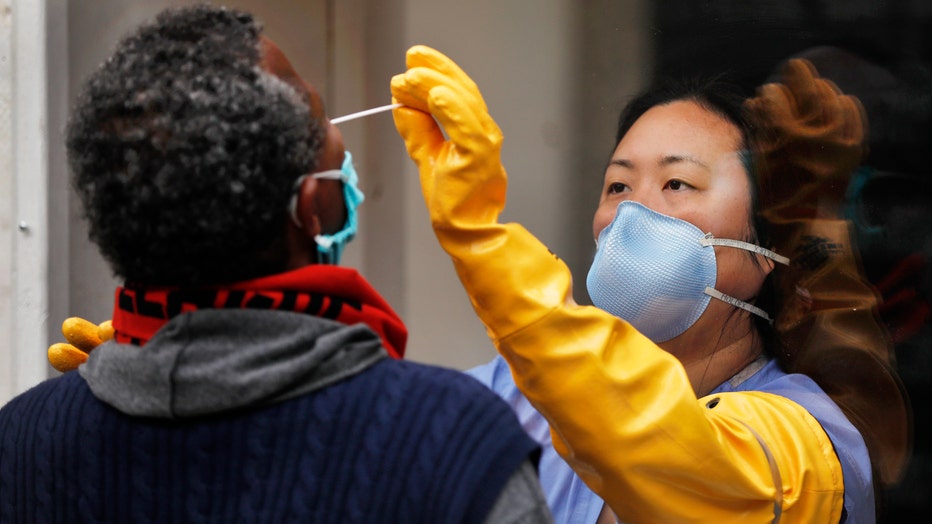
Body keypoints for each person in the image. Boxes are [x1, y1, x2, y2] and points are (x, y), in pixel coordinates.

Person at [0, 7, 552, 523]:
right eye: (323, 118)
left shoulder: (20, 440)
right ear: (309, 205)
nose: (341, 140)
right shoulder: (454, 445)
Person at [391, 45, 909, 522]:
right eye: (618, 185)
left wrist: (482, 239)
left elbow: (668, 452)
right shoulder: (518, 393)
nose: (633, 212)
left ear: (770, 248)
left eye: (677, 183)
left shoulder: (809, 441)